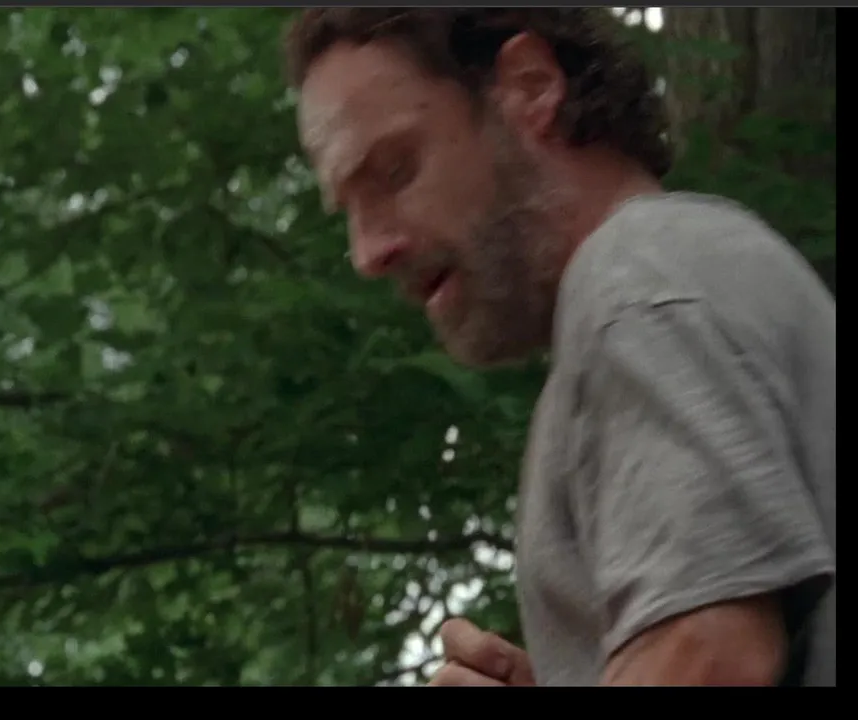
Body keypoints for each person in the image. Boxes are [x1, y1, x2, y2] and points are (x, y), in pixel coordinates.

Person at [283, 8, 836, 686]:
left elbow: (713, 656)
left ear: (530, 86)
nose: (368, 252)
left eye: (396, 170)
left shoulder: (633, 283)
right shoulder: (685, 273)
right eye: (348, 210)